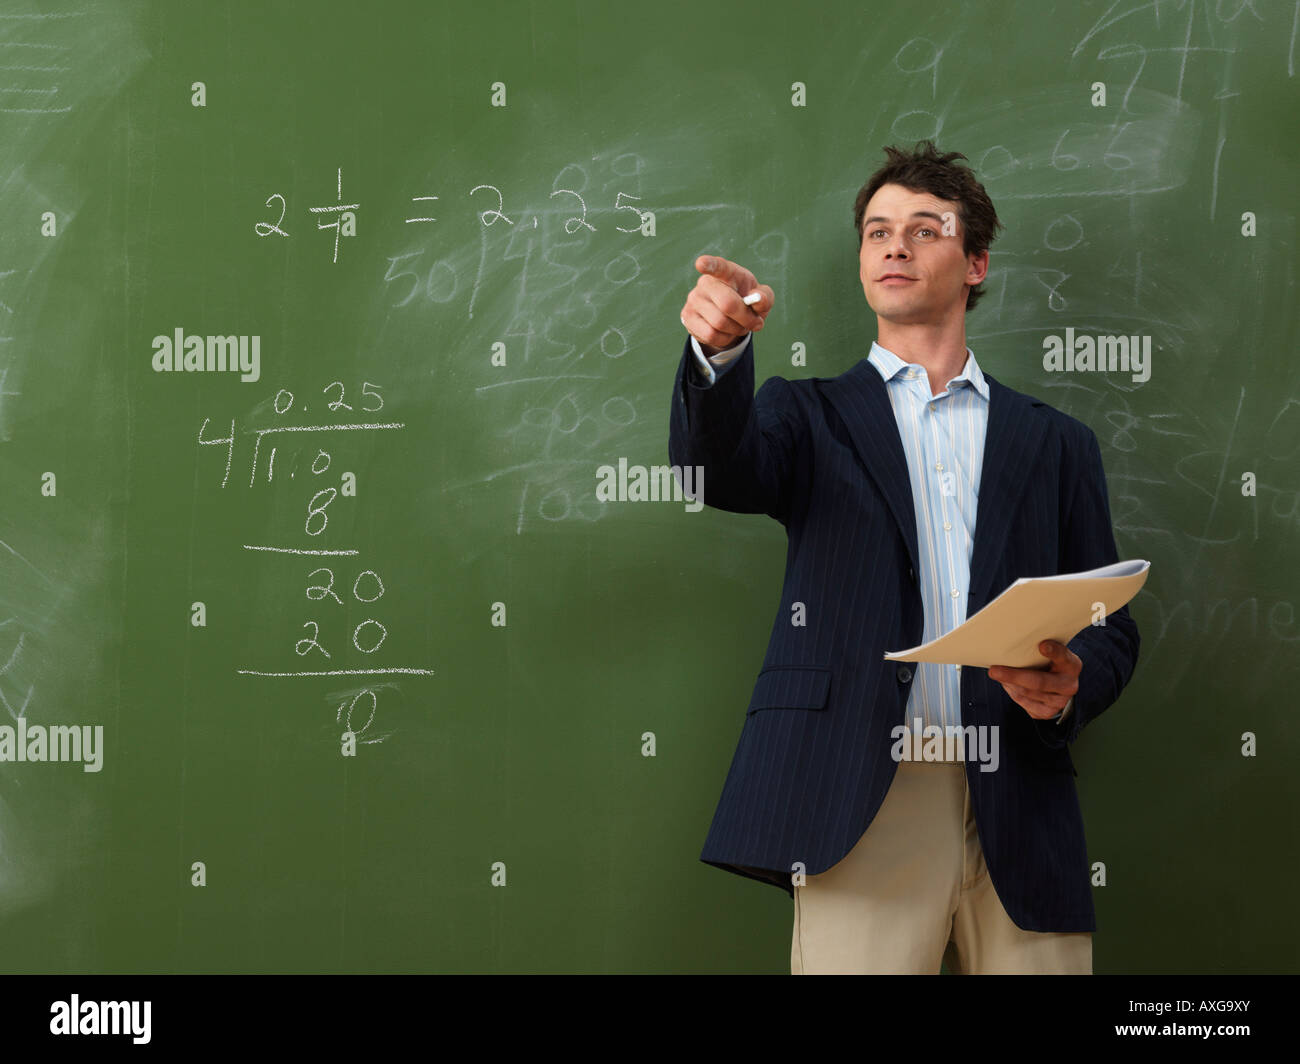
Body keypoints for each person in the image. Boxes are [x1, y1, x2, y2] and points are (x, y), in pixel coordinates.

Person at [669, 140, 1140, 974]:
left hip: (1023, 800)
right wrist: (720, 355)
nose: (895, 245)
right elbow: (714, 471)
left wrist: (1072, 685)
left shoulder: (1058, 444)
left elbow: (1111, 621)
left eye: (926, 230)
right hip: (859, 797)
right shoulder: (805, 417)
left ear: (976, 264)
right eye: (879, 231)